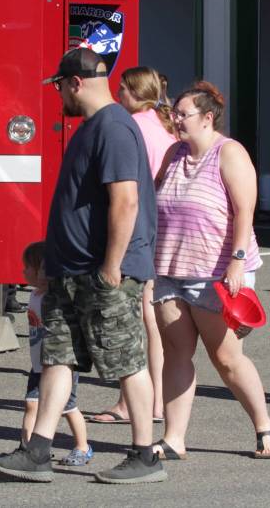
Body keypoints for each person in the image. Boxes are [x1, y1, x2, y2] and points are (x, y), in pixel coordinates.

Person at [0, 47, 165, 484]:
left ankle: (145, 457)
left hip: (103, 273)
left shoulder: (115, 128)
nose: (58, 95)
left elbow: (126, 200)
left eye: (60, 86)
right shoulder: (92, 127)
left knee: (125, 361)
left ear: (75, 83)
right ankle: (38, 451)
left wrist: (110, 267)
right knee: (57, 358)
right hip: (72, 271)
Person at [151, 81, 270, 461]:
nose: (175, 119)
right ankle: (174, 438)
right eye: (174, 113)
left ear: (207, 118)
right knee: (176, 353)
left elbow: (245, 211)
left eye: (183, 114)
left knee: (226, 359)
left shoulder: (230, 153)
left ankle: (264, 424)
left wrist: (237, 261)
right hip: (169, 268)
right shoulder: (174, 153)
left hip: (215, 274)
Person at [88, 66, 174, 425]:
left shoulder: (132, 127)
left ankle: (132, 402)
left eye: (123, 88)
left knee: (138, 323)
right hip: (158, 230)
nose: (118, 93)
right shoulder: (162, 127)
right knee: (150, 321)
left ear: (136, 93)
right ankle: (153, 401)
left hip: (138, 234)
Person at [18, 241, 92, 465]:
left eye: (33, 268)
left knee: (68, 408)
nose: (27, 271)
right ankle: (27, 448)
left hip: (60, 366)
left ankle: (83, 446)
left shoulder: (57, 300)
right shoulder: (33, 296)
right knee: (31, 404)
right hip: (38, 366)